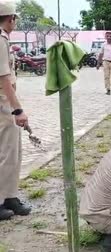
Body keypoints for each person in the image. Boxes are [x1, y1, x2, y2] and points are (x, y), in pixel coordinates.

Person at [0, 0, 32, 221]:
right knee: (7, 152)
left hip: (5, 102)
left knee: (12, 151)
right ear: (11, 18)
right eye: (15, 19)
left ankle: (10, 195)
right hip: (3, 103)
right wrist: (17, 109)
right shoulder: (0, 39)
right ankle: (2, 199)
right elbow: (3, 78)